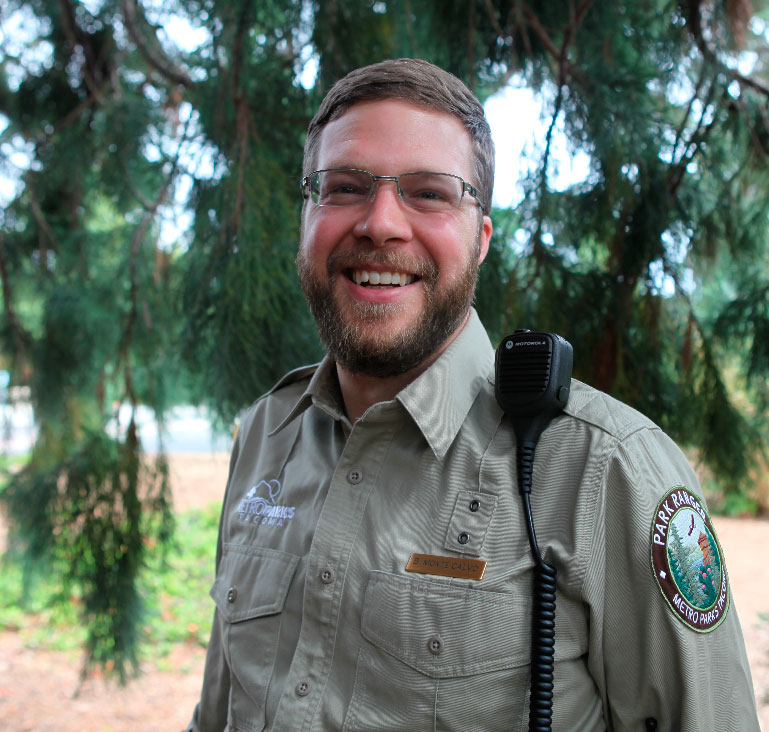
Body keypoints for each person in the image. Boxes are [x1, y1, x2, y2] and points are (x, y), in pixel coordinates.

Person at [185, 58, 759, 732]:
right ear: (304, 221)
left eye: (428, 193)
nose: (380, 224)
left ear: (480, 239)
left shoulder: (608, 469)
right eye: (343, 187)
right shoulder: (266, 435)